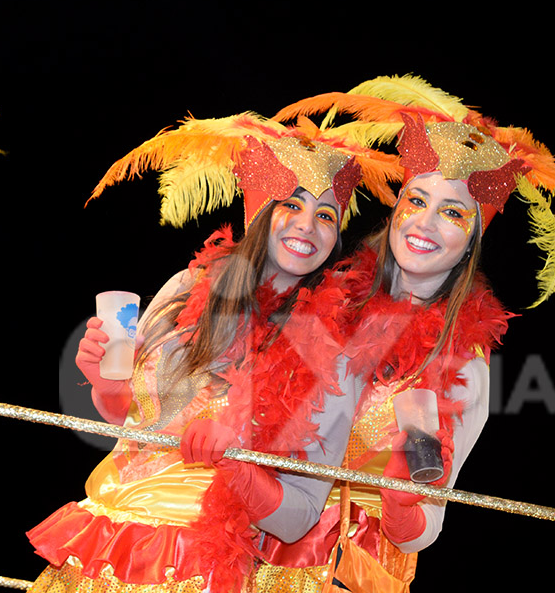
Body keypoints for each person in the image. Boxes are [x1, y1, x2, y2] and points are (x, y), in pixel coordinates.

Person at [249, 76, 555, 592]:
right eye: (417, 201)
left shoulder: (464, 364)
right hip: (254, 545)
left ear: (472, 237)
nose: (425, 224)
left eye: (452, 213)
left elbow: (425, 531)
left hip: (351, 570)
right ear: (397, 206)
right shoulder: (325, 301)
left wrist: (402, 497)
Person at [26, 113, 399, 593]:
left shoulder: (334, 347)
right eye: (291, 204)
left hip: (206, 565)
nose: (308, 225)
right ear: (259, 207)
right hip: (112, 540)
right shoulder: (186, 287)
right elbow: (131, 431)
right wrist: (109, 388)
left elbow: (299, 519)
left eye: (326, 215)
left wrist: (236, 463)